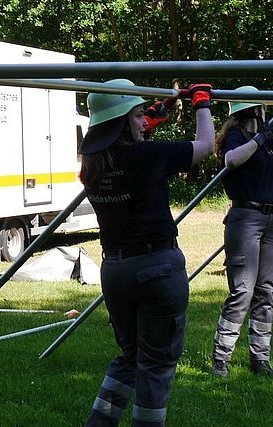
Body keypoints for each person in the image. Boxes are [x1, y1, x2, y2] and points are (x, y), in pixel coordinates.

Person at [79, 80, 215, 427]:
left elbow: (125, 144)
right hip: (156, 269)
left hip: (115, 271)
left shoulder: (92, 165)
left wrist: (154, 113)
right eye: (138, 116)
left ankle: (100, 423)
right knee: (156, 364)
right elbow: (206, 145)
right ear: (124, 121)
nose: (144, 122)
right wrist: (202, 103)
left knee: (130, 356)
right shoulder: (148, 157)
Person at [209, 87, 273, 378]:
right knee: (242, 291)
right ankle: (221, 359)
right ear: (253, 110)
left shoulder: (266, 142)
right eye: (262, 107)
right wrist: (261, 137)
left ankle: (260, 358)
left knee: (266, 290)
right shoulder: (237, 138)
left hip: (271, 218)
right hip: (245, 218)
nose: (265, 112)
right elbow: (231, 160)